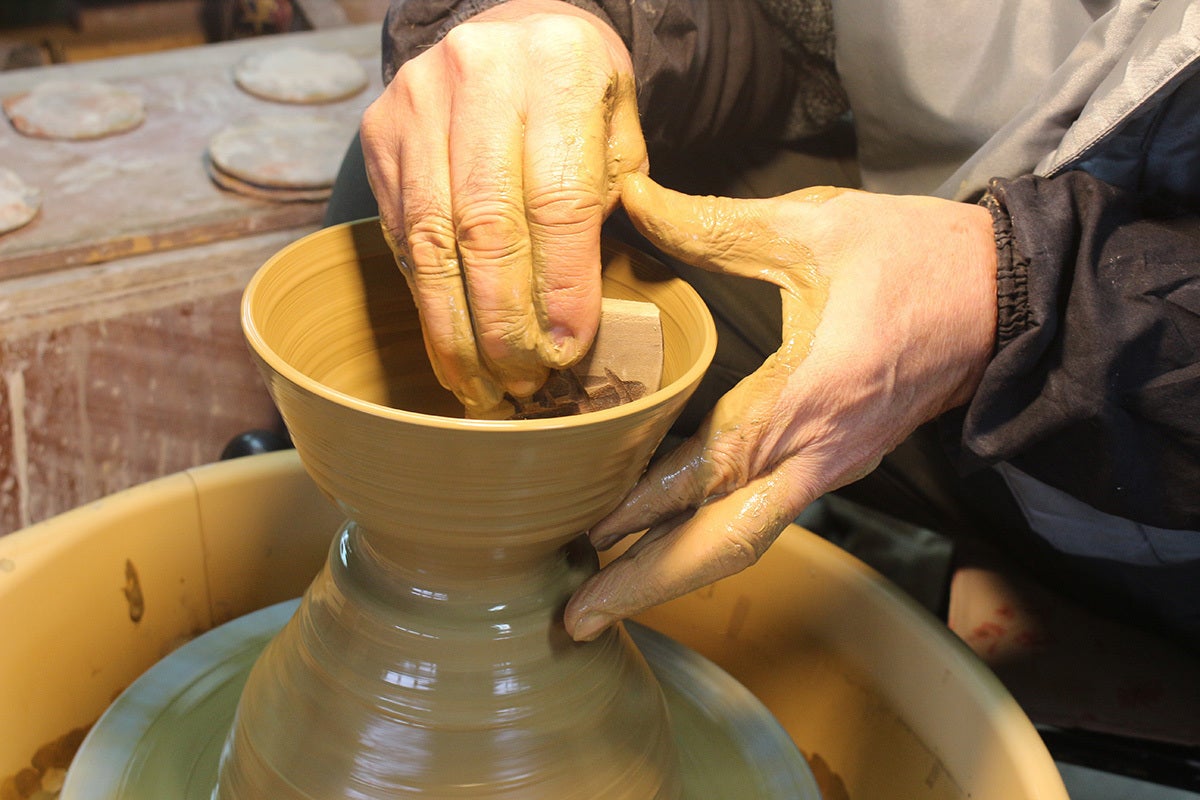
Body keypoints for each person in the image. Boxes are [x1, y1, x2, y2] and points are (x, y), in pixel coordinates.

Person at [328, 0, 1200, 646]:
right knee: (456, 170)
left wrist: (1007, 296)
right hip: (949, 204)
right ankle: (366, 525)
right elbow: (783, 30)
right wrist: (571, 22)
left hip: (1142, 441)